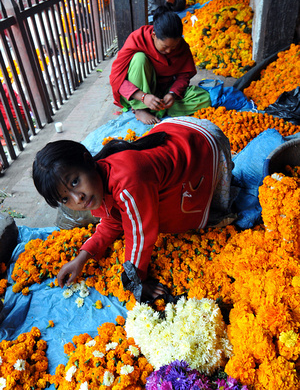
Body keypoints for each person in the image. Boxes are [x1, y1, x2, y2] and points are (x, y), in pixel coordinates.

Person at [32, 116, 235, 301]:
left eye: (75, 182)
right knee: (145, 207)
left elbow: (141, 234)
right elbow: (113, 222)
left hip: (203, 141)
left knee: (185, 207)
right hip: (180, 131)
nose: (78, 198)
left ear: (88, 161)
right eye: (65, 198)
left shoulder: (127, 181)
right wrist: (82, 257)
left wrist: (136, 281)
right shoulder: (100, 182)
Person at [109, 7, 211, 125]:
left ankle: (158, 108)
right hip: (140, 91)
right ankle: (139, 108)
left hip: (165, 91)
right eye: (164, 47)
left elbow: (184, 75)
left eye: (173, 48)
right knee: (139, 59)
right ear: (153, 35)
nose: (169, 51)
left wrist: (172, 93)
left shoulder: (182, 46)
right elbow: (117, 78)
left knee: (204, 99)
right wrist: (143, 97)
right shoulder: (137, 39)